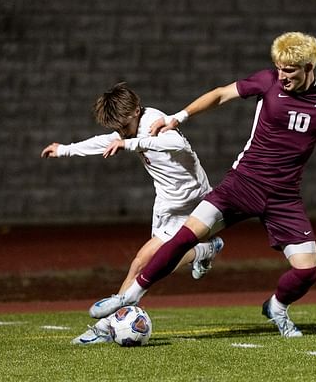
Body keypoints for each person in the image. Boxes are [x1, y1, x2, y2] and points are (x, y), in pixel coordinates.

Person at [89, 32, 316, 338]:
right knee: (185, 237)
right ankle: (128, 297)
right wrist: (178, 117)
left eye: (291, 70)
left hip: (284, 196)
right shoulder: (266, 82)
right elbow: (222, 94)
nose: (283, 75)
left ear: (309, 67)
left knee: (308, 271)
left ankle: (277, 306)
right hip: (243, 183)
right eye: (280, 68)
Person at [40, 82, 224, 345]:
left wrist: (129, 144)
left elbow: (177, 145)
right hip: (167, 206)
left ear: (137, 110)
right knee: (149, 264)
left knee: (145, 263)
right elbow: (106, 141)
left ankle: (104, 327)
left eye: (124, 126)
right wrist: (65, 149)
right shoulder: (128, 129)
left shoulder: (155, 121)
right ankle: (206, 250)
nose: (121, 133)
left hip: (193, 202)